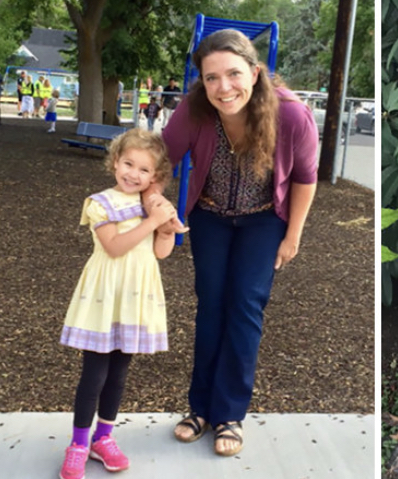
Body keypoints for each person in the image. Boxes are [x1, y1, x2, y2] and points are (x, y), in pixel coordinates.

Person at [159, 29, 318, 457]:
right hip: (210, 216)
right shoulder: (194, 111)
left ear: (255, 71)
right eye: (212, 78)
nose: (223, 87)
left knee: (246, 304)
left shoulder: (291, 114)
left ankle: (229, 413)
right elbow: (160, 162)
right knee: (211, 302)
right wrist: (154, 207)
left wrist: (293, 235)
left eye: (233, 74)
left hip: (263, 220)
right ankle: (201, 409)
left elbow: (305, 178)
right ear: (201, 82)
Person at [58, 128, 179, 479]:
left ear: (154, 176)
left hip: (135, 298)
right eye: (128, 164)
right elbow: (114, 246)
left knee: (119, 373)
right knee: (94, 374)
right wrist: (153, 221)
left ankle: (103, 438)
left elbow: (160, 253)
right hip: (104, 297)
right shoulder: (101, 202)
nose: (133, 174)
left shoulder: (151, 205)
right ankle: (78, 444)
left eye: (144, 170)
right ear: (115, 163)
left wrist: (166, 228)